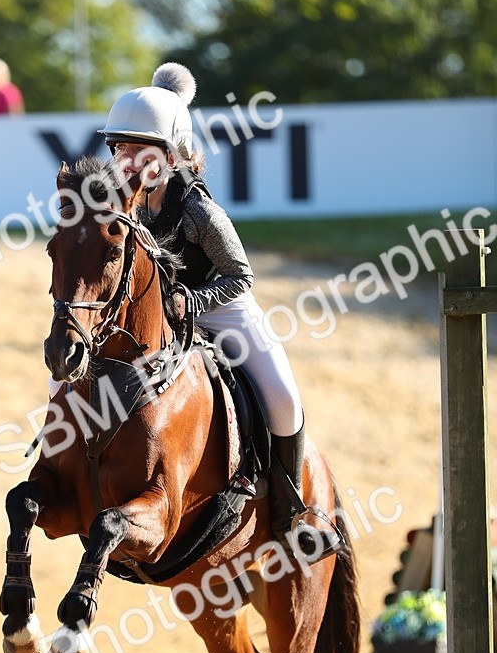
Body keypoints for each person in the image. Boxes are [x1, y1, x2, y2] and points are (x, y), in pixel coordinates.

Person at [98, 62, 341, 560]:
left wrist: (195, 301)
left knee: (283, 399)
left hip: (221, 307)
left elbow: (241, 276)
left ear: (168, 154)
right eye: (118, 147)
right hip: (158, 319)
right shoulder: (122, 204)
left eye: (135, 148)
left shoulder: (197, 210)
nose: (123, 159)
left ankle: (292, 511)